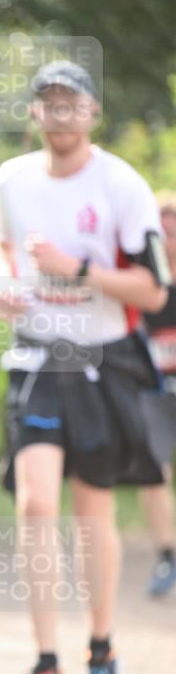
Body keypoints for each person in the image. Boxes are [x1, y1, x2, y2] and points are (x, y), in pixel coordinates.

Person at [0, 60, 167, 674]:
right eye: (47, 102)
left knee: (92, 514)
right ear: (34, 113)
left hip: (103, 363)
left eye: (71, 101)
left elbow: (153, 292)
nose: (59, 112)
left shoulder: (121, 184)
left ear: (91, 112)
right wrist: (4, 282)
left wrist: (76, 269)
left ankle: (101, 650)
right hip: (36, 358)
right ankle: (44, 665)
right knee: (34, 505)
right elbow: (0, 245)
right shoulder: (11, 179)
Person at [141, 190, 176, 597]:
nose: (166, 241)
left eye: (173, 233)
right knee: (153, 473)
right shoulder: (143, 283)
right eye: (160, 233)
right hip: (154, 391)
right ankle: (167, 555)